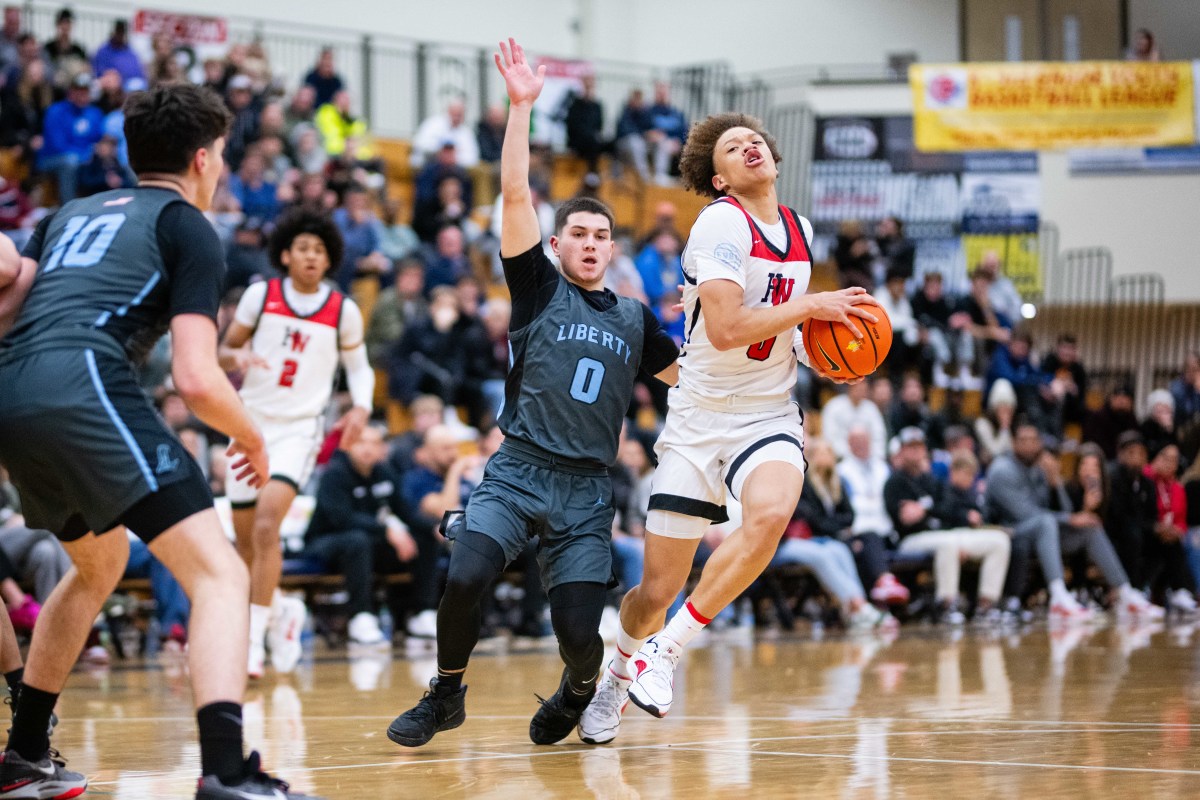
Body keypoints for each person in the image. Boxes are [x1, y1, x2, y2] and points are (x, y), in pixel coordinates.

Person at [0, 83, 313, 798]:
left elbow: (13, 296)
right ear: (204, 159)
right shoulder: (187, 226)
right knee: (220, 574)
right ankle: (229, 773)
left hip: (11, 396)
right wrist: (252, 435)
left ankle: (22, 756)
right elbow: (197, 379)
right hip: (84, 382)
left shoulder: (65, 215)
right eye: (225, 157)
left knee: (98, 564)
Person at [385, 38, 678, 750]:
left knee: (580, 636)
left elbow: (690, 383)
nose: (587, 242)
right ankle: (446, 692)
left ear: (612, 250)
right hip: (518, 470)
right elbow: (516, 194)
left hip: (585, 490)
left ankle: (581, 689)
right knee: (467, 574)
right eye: (575, 232)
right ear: (557, 245)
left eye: (600, 235)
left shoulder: (639, 322)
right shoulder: (538, 289)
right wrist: (521, 109)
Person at [585, 104, 879, 742]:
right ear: (718, 179)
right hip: (698, 415)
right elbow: (724, 328)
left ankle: (667, 650)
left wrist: (823, 357)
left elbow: (788, 327)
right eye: (731, 148)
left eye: (754, 140)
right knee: (657, 586)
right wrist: (811, 306)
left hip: (767, 410)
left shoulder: (798, 228)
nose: (749, 147)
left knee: (771, 516)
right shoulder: (720, 222)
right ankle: (616, 675)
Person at [219, 208, 374, 679]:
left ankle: (252, 644)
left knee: (267, 526)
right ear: (285, 254)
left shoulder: (341, 309)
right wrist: (237, 354)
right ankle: (283, 609)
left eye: (320, 250)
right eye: (303, 248)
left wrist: (362, 406)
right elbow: (224, 349)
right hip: (248, 425)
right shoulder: (260, 295)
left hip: (299, 429)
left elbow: (360, 366)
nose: (311, 256)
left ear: (329, 260)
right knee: (246, 545)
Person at [987, 423, 1160, 622]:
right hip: (1011, 532)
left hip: (1042, 533)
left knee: (1089, 526)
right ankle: (1059, 595)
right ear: (1013, 443)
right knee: (1046, 522)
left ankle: (1125, 592)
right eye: (1023, 441)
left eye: (1034, 440)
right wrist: (1070, 519)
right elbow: (1025, 514)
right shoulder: (1002, 470)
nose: (1029, 446)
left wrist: (1055, 481)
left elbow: (1066, 511)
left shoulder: (1038, 468)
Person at [303, 424, 419, 646]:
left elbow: (407, 513)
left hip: (366, 547)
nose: (367, 449)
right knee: (358, 540)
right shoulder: (335, 474)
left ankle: (421, 613)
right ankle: (361, 617)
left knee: (421, 539)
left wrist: (433, 527)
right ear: (348, 446)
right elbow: (342, 519)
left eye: (374, 443)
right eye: (361, 442)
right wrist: (388, 530)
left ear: (382, 449)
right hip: (324, 543)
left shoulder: (385, 473)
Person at [884, 428, 1010, 624]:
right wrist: (930, 508)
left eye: (919, 446)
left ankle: (986, 605)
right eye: (911, 447)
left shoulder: (931, 480)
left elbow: (947, 509)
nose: (916, 451)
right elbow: (906, 519)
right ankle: (947, 606)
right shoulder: (894, 482)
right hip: (911, 539)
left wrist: (923, 508)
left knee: (999, 541)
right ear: (901, 451)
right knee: (949, 544)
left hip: (944, 534)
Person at [773, 439, 892, 630]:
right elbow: (810, 517)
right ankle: (857, 605)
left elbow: (848, 515)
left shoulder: (833, 481)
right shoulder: (798, 483)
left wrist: (834, 527)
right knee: (823, 554)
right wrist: (837, 528)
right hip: (780, 543)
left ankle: (856, 607)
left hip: (810, 540)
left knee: (838, 549)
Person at [822, 380, 887, 461]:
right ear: (850, 387)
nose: (860, 391)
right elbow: (830, 436)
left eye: (863, 389)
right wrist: (848, 456)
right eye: (858, 388)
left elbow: (879, 436)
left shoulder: (871, 408)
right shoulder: (834, 406)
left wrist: (875, 456)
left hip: (869, 459)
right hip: (841, 458)